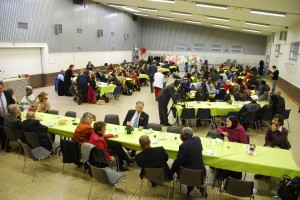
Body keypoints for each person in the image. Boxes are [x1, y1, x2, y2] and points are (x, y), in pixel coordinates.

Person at [171, 127, 207, 196]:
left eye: (180, 134)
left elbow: (177, 162)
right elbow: (201, 149)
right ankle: (196, 185)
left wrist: (171, 172)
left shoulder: (183, 146)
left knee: (179, 164)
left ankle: (190, 185)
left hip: (185, 174)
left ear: (184, 136)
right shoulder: (197, 139)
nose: (180, 136)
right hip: (201, 174)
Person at [255, 114, 289, 179]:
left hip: (280, 148)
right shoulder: (269, 128)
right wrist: (271, 144)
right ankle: (263, 172)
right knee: (264, 154)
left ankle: (268, 173)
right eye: (273, 119)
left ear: (280, 122)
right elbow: (266, 140)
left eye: (275, 120)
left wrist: (274, 132)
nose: (273, 121)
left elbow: (279, 142)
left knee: (269, 154)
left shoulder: (285, 131)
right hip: (270, 146)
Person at [216, 116, 248, 180]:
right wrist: (222, 132)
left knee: (230, 159)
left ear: (233, 122)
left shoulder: (240, 129)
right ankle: (223, 174)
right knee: (222, 156)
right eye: (226, 121)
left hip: (239, 149)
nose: (226, 123)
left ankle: (231, 176)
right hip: (230, 148)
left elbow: (244, 143)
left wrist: (236, 145)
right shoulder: (228, 127)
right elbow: (218, 128)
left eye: (228, 121)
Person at [0, 82, 15, 150]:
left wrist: (11, 105)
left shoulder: (7, 93)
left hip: (7, 116)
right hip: (0, 117)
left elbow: (12, 101)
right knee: (2, 132)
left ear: (3, 87)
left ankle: (5, 145)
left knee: (6, 131)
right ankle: (4, 146)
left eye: (0, 88)